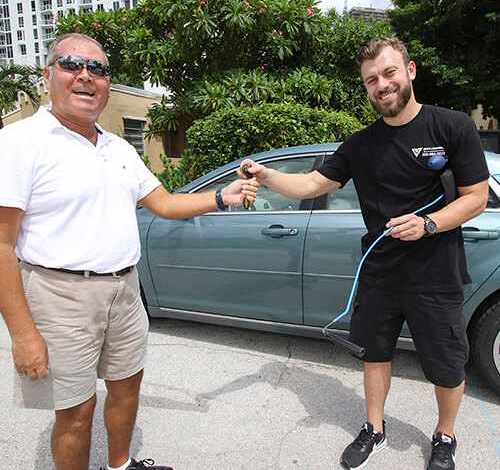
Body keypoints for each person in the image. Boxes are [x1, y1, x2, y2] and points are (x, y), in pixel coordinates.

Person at [0, 33, 258, 470]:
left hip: (125, 290)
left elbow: (165, 203)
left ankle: (119, 466)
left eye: (97, 69)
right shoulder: (20, 141)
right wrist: (23, 334)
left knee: (126, 388)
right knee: (76, 412)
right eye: (71, 65)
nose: (86, 76)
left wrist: (221, 197)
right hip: (60, 296)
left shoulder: (119, 147)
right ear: (48, 77)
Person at [238, 37, 489, 470]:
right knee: (376, 354)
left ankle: (444, 436)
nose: (382, 85)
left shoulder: (451, 127)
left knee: (447, 364)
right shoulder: (360, 145)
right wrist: (267, 174)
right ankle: (375, 429)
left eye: (389, 73)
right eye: (372, 80)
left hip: (436, 273)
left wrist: (429, 224)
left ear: (410, 71)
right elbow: (312, 185)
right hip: (380, 273)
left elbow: (477, 197)